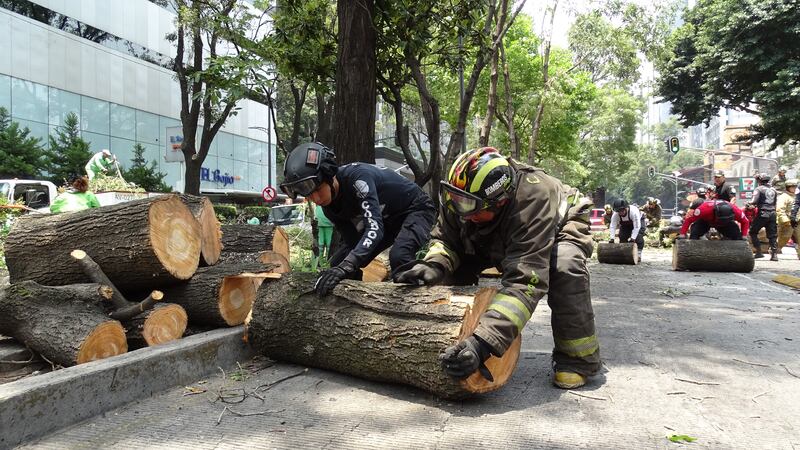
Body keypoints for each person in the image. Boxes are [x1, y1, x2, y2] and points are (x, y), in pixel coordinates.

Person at [394, 147, 600, 389]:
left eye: (468, 205)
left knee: (564, 266)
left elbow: (525, 281)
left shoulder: (532, 200)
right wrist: (435, 265)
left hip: (562, 222)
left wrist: (483, 344)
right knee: (456, 263)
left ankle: (577, 360)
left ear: (499, 201)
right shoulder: (462, 196)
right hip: (497, 228)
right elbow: (446, 239)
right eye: (456, 200)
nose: (460, 211)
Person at [279, 142, 437, 294]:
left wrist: (347, 265)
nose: (317, 199)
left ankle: (414, 306)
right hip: (387, 219)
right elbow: (351, 242)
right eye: (309, 195)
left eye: (319, 190)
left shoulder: (358, 179)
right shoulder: (330, 208)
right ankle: (354, 302)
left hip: (417, 208)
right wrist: (342, 267)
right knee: (337, 264)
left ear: (330, 176)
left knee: (399, 256)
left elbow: (374, 228)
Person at [679, 199, 749, 240]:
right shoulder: (703, 210)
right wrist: (682, 234)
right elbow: (688, 220)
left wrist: (744, 236)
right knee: (695, 232)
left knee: (737, 236)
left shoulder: (736, 211)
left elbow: (745, 222)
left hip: (726, 224)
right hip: (706, 221)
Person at [749, 173, 779, 260]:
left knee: (753, 232)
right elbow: (775, 203)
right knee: (772, 235)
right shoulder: (774, 190)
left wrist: (748, 204)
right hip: (773, 213)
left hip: (763, 213)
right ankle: (774, 255)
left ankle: (759, 252)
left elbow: (754, 201)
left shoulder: (758, 189)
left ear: (759, 180)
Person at [776, 179, 800, 259]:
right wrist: (785, 220)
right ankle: (774, 250)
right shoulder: (783, 197)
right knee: (783, 238)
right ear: (787, 187)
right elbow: (780, 209)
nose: (794, 188)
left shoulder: (797, 196)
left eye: (795, 187)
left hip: (797, 221)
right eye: (792, 187)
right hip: (787, 222)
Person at [313, 203, 334, 270]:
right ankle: (320, 262)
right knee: (321, 245)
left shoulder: (326, 204)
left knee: (328, 245)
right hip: (321, 225)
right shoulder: (318, 205)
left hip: (328, 225)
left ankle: (326, 263)